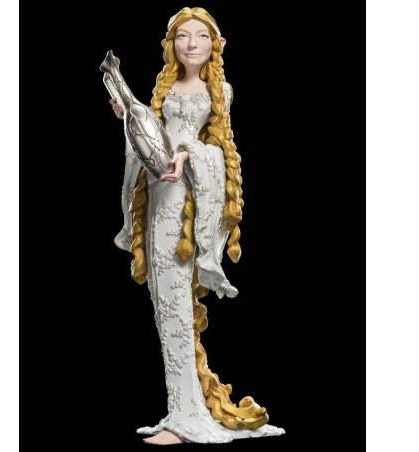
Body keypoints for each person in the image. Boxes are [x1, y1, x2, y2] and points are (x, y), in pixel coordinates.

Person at [107, 6, 285, 445]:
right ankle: (181, 411)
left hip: (186, 202)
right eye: (182, 36)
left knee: (177, 309)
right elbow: (151, 140)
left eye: (200, 36)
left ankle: (187, 418)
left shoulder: (219, 89)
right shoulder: (163, 88)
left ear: (216, 44)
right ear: (170, 44)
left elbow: (220, 152)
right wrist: (128, 117)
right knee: (164, 305)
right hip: (158, 198)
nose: (191, 44)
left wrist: (189, 154)